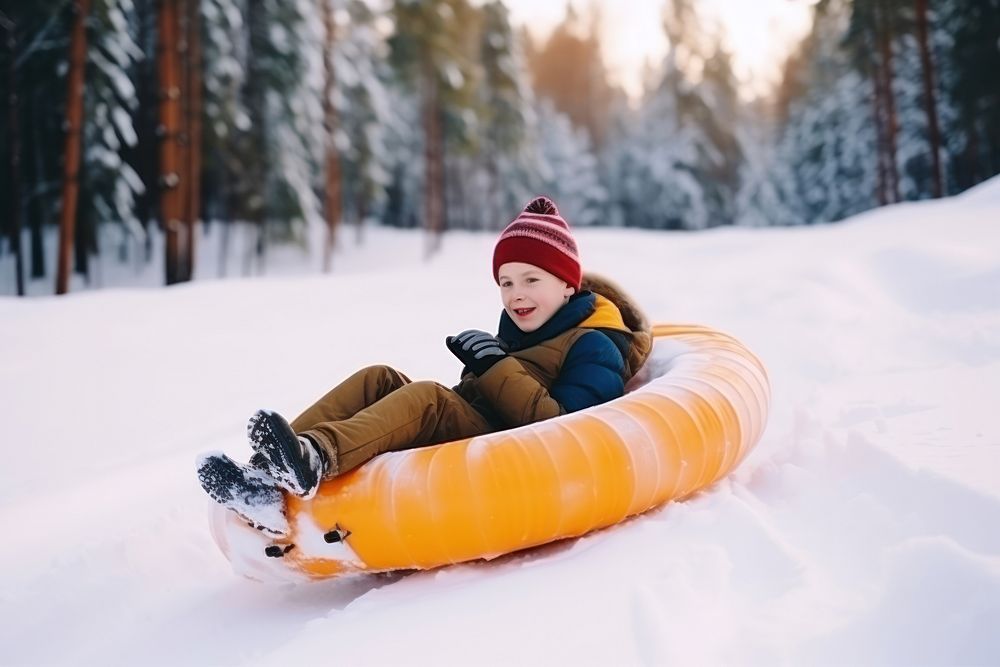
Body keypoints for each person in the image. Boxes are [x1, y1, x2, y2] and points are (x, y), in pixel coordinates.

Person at [197, 196, 652, 536]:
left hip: (513, 453)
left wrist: (493, 366)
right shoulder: (524, 330)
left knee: (430, 398)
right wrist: (487, 366)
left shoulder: (596, 343)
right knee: (379, 377)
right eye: (507, 282)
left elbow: (565, 429)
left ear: (568, 286)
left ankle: (315, 458)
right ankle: (262, 475)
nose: (516, 294)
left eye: (532, 280)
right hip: (491, 424)